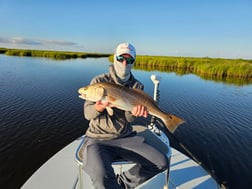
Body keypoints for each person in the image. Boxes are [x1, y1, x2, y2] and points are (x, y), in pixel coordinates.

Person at [82, 43, 169, 189]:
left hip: (126, 137)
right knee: (100, 174)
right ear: (115, 58)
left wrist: (133, 113)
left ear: (133, 62)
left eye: (129, 60)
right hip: (98, 139)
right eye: (121, 58)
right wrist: (99, 106)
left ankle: (122, 183)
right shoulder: (98, 82)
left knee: (161, 162)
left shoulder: (137, 86)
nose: (124, 63)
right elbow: (87, 114)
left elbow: (130, 119)